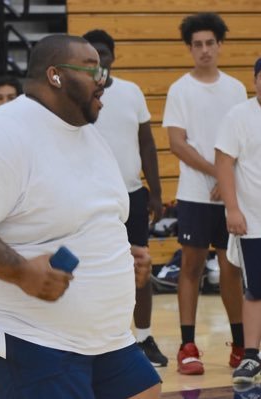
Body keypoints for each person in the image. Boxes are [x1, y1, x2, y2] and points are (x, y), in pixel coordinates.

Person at [0, 34, 161, 399]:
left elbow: (85, 218)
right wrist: (21, 272)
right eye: (93, 69)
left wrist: (119, 257)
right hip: (24, 329)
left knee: (144, 390)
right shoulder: (0, 132)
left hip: (97, 334)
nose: (104, 79)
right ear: (55, 75)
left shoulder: (88, 136)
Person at [163, 12, 246, 375]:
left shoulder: (236, 89)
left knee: (231, 270)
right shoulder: (180, 89)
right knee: (192, 268)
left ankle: (241, 344)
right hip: (195, 194)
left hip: (230, 197)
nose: (204, 50)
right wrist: (219, 172)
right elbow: (177, 144)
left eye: (210, 43)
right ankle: (187, 345)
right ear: (190, 49)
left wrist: (229, 181)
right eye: (197, 44)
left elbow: (243, 142)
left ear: (220, 45)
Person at [82, 29, 167, 368]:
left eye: (104, 52)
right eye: (92, 54)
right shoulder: (79, 96)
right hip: (93, 200)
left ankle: (144, 336)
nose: (100, 59)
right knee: (95, 271)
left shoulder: (131, 92)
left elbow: (147, 143)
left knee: (140, 266)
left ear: (113, 56)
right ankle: (100, 342)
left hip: (133, 194)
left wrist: (157, 193)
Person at [215, 57, 261, 384]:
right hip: (254, 223)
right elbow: (224, 162)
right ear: (255, 80)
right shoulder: (239, 117)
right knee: (256, 291)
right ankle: (251, 356)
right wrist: (232, 208)